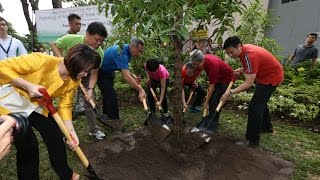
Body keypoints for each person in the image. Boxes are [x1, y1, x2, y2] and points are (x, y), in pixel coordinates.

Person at [0, 44, 101, 179]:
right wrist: (28, 86)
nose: (86, 74)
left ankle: (66, 174)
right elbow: (2, 67)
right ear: (76, 64)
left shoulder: (74, 81)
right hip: (12, 102)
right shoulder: (40, 60)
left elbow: (65, 106)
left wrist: (71, 132)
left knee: (55, 136)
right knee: (29, 146)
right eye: (85, 70)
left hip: (37, 105)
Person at [222, 36, 284, 147]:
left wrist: (229, 92)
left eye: (231, 52)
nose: (230, 55)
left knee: (255, 107)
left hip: (271, 78)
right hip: (267, 74)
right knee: (261, 103)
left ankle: (252, 140)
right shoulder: (245, 50)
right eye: (228, 53)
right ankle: (266, 127)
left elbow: (248, 83)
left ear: (239, 46)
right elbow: (254, 65)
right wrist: (242, 69)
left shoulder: (249, 55)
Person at [51, 21, 107, 140]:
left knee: (90, 102)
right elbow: (54, 44)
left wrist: (91, 89)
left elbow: (94, 73)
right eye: (96, 39)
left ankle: (94, 130)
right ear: (87, 34)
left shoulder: (99, 53)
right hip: (68, 73)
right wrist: (61, 59)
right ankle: (66, 133)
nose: (99, 43)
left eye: (101, 41)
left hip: (85, 75)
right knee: (65, 104)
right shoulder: (70, 39)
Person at [98, 37, 146, 129]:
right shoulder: (122, 53)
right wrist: (140, 90)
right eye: (139, 51)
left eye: (141, 52)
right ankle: (114, 122)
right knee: (111, 96)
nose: (139, 54)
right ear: (132, 46)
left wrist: (133, 76)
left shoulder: (125, 48)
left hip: (109, 72)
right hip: (101, 73)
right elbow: (126, 75)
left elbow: (122, 67)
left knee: (107, 94)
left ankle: (106, 116)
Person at [189, 50, 234, 132]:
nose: (196, 67)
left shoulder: (212, 65)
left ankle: (213, 124)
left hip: (226, 80)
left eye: (197, 65)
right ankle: (209, 120)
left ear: (201, 61)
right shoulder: (203, 59)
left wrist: (206, 102)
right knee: (211, 101)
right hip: (218, 79)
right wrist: (195, 80)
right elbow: (199, 70)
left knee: (215, 102)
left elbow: (211, 87)